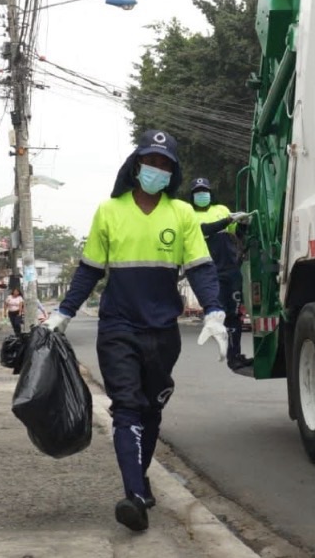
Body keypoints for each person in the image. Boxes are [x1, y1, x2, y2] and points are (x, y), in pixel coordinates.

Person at [43, 130, 229, 532]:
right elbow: (90, 269)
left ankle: (140, 478)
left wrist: (214, 310)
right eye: (151, 161)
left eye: (165, 164)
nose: (156, 170)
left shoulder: (180, 214)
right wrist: (64, 312)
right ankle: (134, 497)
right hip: (118, 326)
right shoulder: (109, 211)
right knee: (126, 408)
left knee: (151, 408)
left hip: (163, 331)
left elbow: (200, 267)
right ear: (135, 164)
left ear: (173, 172)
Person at [189, 177, 252, 370]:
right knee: (218, 314)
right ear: (192, 195)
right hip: (208, 271)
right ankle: (221, 347)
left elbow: (237, 232)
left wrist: (243, 223)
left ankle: (235, 356)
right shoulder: (189, 214)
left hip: (230, 270)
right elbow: (204, 230)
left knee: (234, 315)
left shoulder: (221, 209)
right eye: (198, 191)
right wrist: (226, 221)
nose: (202, 194)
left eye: (205, 190)